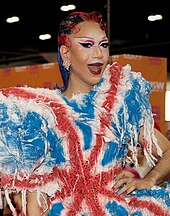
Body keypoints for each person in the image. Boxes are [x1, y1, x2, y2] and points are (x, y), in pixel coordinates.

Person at [0, 11, 170, 216]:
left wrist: (150, 179)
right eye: (87, 45)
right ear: (65, 53)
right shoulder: (40, 114)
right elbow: (35, 195)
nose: (99, 54)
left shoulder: (119, 102)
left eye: (104, 45)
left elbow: (167, 151)